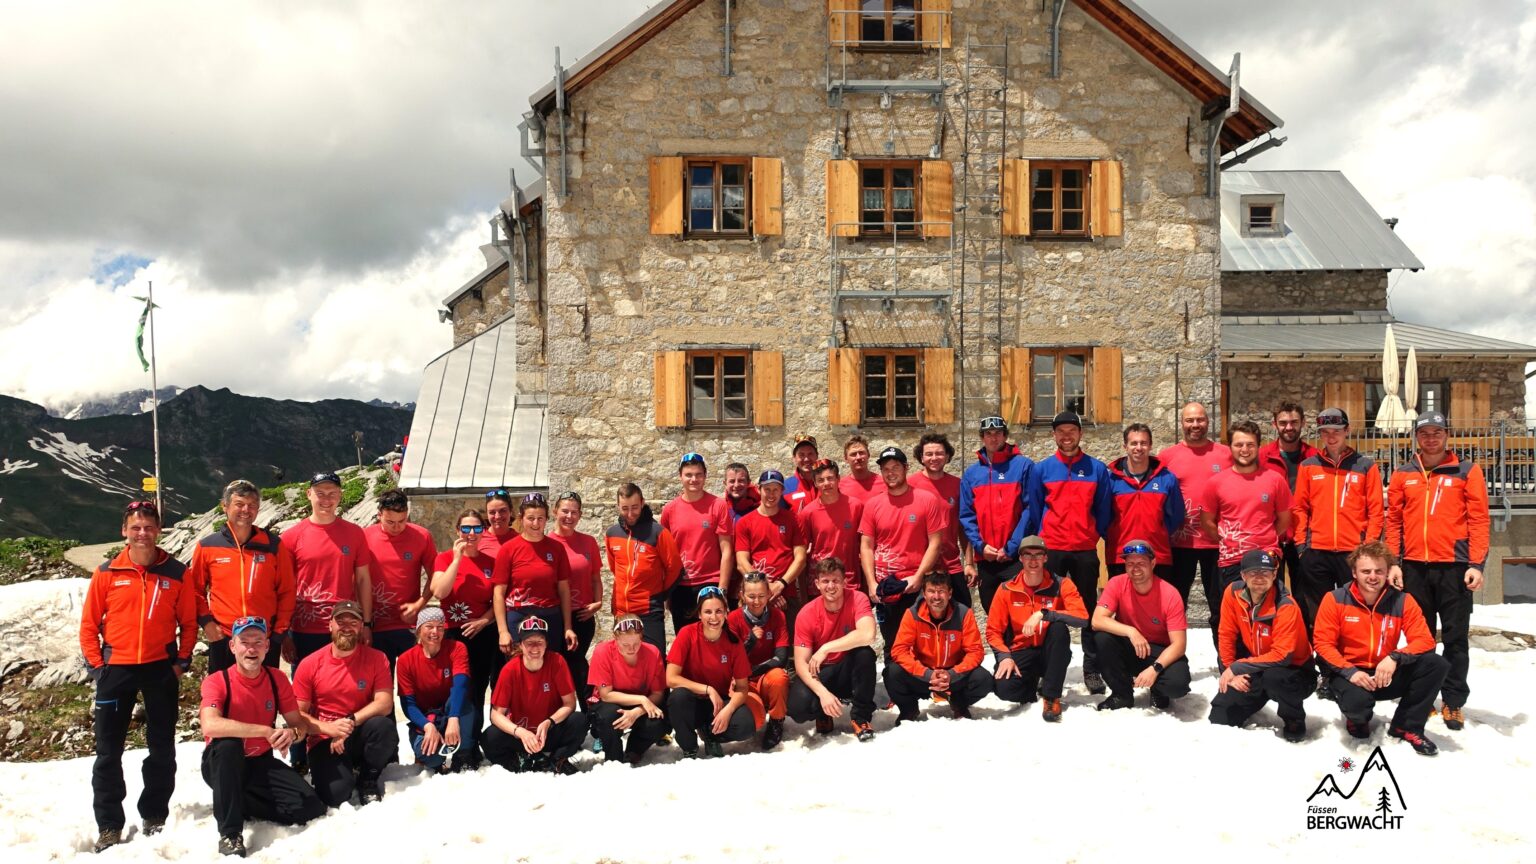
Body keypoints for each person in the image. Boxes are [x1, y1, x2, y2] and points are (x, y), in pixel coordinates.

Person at [79, 500, 198, 853]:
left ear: (158, 530)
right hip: (116, 670)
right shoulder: (107, 572)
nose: (142, 533)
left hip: (160, 668)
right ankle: (110, 825)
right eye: (136, 527)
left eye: (148, 527)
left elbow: (188, 623)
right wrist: (98, 668)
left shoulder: (176, 572)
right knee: (107, 752)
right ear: (124, 531)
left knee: (161, 747)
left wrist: (181, 663)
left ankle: (154, 814)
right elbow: (88, 625)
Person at [1385, 410, 1490, 733]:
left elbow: (1479, 519)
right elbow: (1394, 521)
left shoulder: (1466, 471)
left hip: (1454, 568)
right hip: (1415, 567)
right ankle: (1424, 697)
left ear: (1447, 434)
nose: (1431, 438)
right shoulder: (1404, 474)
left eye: (1437, 432)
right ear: (1416, 437)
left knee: (1456, 639)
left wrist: (1475, 564)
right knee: (1421, 638)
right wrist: (1393, 562)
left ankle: (1454, 701)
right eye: (1424, 433)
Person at [198, 616, 324, 858]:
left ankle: (236, 799)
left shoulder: (276, 679)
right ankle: (230, 833)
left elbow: (298, 725)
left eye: (258, 641)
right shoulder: (218, 680)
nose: (251, 648)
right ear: (233, 647)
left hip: (259, 761)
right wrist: (265, 731)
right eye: (244, 642)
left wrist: (291, 734)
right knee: (228, 746)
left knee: (310, 807)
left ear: (267, 647)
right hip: (221, 763)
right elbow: (210, 725)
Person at [1314, 541, 1450, 756]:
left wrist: (1396, 657)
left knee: (1436, 664)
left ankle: (1406, 725)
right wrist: (1350, 672)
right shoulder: (1335, 599)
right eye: (1366, 571)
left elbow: (1425, 640)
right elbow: (1323, 644)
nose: (1373, 576)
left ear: (1388, 572)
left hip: (1385, 672)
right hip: (1350, 673)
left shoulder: (1402, 600)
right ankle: (1357, 718)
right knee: (1358, 708)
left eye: (1379, 571)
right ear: (1354, 573)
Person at [282, 471, 374, 778]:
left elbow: (362, 579)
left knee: (346, 689)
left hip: (345, 628)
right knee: (302, 695)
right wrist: (285, 631)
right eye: (320, 492)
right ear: (309, 495)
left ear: (340, 496)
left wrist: (367, 623)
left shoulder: (354, 533)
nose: (326, 498)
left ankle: (350, 748)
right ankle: (299, 755)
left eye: (332, 493)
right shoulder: (292, 536)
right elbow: (283, 586)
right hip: (304, 629)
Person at [1027, 411, 1113, 694]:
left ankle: (1092, 668)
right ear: (1054, 435)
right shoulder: (1042, 469)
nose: (1066, 436)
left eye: (1071, 431)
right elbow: (1036, 508)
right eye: (1061, 432)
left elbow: (1103, 511)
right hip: (1052, 549)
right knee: (1047, 609)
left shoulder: (1096, 469)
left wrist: (1091, 535)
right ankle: (1045, 668)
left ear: (1080, 434)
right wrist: (1046, 538)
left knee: (1088, 609)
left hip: (1085, 549)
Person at [292, 600, 397, 806]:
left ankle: (368, 778)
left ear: (361, 627)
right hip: (324, 739)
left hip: (358, 731)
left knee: (383, 726)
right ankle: (339, 771)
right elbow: (297, 714)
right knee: (336, 796)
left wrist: (348, 723)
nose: (346, 627)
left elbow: (385, 703)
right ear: (330, 624)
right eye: (341, 621)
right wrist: (330, 729)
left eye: (353, 622)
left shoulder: (377, 658)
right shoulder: (310, 663)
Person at [1292, 408, 1384, 643]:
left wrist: (1368, 547)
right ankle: (1324, 667)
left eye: (1336, 431)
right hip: (1316, 552)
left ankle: (1353, 664)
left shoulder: (1365, 465)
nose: (1331, 437)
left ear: (1347, 431)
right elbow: (1299, 508)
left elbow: (1376, 510)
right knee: (1319, 614)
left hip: (1354, 553)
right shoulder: (1309, 466)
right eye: (1325, 432)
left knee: (1354, 612)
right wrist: (1302, 545)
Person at [1200, 421, 1292, 651]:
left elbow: (1284, 520)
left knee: (1268, 615)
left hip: (1267, 559)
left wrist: (1262, 539)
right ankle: (1232, 670)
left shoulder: (1274, 480)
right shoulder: (1216, 483)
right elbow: (1207, 522)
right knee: (1232, 619)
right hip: (1232, 561)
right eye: (1239, 444)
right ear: (1229, 447)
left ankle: (1267, 666)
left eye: (1250, 445)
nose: (1244, 449)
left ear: (1258, 447)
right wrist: (1229, 540)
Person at [189, 479, 295, 673]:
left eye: (252, 505)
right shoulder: (207, 546)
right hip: (224, 638)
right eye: (239, 504)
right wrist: (208, 624)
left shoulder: (273, 545)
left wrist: (279, 632)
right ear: (225, 506)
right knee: (223, 697)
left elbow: (287, 590)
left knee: (263, 699)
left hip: (264, 638)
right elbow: (194, 590)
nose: (246, 510)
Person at [1208, 550, 1313, 742]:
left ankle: (1294, 719)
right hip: (1257, 665)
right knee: (1220, 717)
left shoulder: (1285, 605)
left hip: (1293, 670)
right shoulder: (1233, 593)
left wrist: (1237, 666)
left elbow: (1282, 655)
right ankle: (1254, 699)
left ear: (1274, 575)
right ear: (1243, 575)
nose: (1259, 578)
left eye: (1265, 572)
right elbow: (1226, 634)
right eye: (1253, 572)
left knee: (1275, 678)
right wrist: (1231, 671)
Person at [986, 535, 1089, 722]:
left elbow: (1082, 618)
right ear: (1020, 558)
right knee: (1004, 689)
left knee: (1059, 629)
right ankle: (1030, 685)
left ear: (1045, 558)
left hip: (1050, 651)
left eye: (1038, 555)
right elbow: (993, 631)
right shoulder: (1006, 589)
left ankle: (1051, 696)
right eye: (1028, 555)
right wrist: (1005, 657)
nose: (1033, 560)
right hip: (1021, 650)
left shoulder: (1061, 584)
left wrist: (1045, 614)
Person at [860, 447, 945, 663]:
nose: (891, 473)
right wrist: (871, 583)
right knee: (893, 644)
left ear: (906, 468)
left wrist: (918, 577)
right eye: (886, 469)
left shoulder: (926, 499)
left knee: (922, 640)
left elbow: (935, 543)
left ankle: (929, 687)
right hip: (886, 587)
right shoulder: (873, 504)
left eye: (895, 467)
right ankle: (895, 692)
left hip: (915, 584)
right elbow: (866, 546)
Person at [429, 508, 501, 758]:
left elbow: (498, 602)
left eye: (477, 528)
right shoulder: (444, 558)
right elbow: (440, 592)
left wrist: (483, 621)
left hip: (482, 633)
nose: (471, 534)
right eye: (466, 529)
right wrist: (457, 559)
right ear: (457, 531)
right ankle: (453, 742)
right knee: (456, 689)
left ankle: (471, 744)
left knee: (478, 689)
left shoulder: (492, 563)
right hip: (452, 634)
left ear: (483, 532)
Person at [1092, 540, 1192, 710]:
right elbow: (1097, 620)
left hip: (1159, 651)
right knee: (1102, 638)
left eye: (1141, 563)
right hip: (1132, 646)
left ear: (1153, 563)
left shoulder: (1170, 594)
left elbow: (1179, 644)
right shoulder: (1116, 583)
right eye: (1130, 563)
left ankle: (1158, 690)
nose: (1135, 568)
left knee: (1177, 685)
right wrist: (1131, 631)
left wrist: (1155, 668)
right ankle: (1121, 694)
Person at [788, 559, 879, 741]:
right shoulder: (807, 613)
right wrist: (823, 693)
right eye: (825, 581)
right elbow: (801, 663)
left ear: (845, 582)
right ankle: (824, 712)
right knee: (798, 709)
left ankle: (861, 717)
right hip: (822, 672)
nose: (831, 586)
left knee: (865, 654)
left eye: (836, 580)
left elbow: (868, 634)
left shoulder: (858, 598)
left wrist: (826, 648)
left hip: (848, 669)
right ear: (817, 584)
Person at [481, 617, 586, 773]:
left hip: (548, 732)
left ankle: (558, 759)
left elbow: (570, 703)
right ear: (521, 645)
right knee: (489, 737)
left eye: (540, 642)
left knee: (580, 720)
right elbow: (496, 715)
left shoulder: (557, 662)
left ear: (546, 644)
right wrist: (519, 732)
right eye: (530, 642)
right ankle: (521, 759)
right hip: (522, 735)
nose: (535, 648)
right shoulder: (510, 670)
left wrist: (549, 722)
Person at [666, 586, 758, 758]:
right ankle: (689, 746)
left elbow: (742, 688)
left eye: (718, 611)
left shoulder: (733, 641)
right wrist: (708, 689)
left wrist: (728, 709)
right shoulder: (687, 634)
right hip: (692, 700)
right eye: (708, 612)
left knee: (746, 725)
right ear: (699, 614)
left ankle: (711, 734)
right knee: (677, 699)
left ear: (726, 612)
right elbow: (671, 678)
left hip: (717, 704)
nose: (714, 617)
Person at [886, 572, 990, 721]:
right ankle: (909, 710)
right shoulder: (913, 614)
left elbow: (975, 651)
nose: (936, 597)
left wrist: (953, 674)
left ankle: (959, 704)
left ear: (950, 593)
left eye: (941, 591)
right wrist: (926, 673)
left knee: (983, 679)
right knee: (892, 672)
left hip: (953, 674)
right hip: (924, 674)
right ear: (924, 593)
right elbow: (899, 650)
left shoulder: (963, 613)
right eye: (931, 591)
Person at [1158, 402, 1233, 606]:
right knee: (1174, 603)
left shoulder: (1226, 455)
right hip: (1179, 543)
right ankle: (1174, 640)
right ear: (1181, 423)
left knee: (1219, 604)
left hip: (1217, 541)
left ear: (1208, 422)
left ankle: (1221, 640)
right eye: (1189, 420)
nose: (1195, 424)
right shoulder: (1166, 457)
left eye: (1200, 419)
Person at [959, 415, 1034, 614]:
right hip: (987, 558)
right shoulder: (971, 474)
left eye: (998, 433)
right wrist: (980, 546)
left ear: (1005, 436)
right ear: (982, 438)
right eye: (988, 434)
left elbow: (1030, 510)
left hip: (1016, 557)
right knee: (993, 615)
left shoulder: (1023, 466)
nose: (993, 438)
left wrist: (1011, 546)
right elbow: (967, 516)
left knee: (1019, 614)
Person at [492, 493, 577, 661]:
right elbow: (498, 593)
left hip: (550, 616)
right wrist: (503, 631)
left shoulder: (557, 548)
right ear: (521, 519)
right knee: (519, 668)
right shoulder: (508, 549)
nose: (536, 523)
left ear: (547, 519)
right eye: (531, 518)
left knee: (550, 668)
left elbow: (564, 590)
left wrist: (568, 627)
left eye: (540, 518)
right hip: (518, 615)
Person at [362, 489, 436, 673]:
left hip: (409, 623)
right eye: (390, 522)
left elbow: (436, 575)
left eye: (402, 521)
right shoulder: (364, 537)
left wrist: (419, 604)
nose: (397, 527)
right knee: (380, 683)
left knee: (413, 681)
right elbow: (356, 579)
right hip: (375, 624)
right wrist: (364, 623)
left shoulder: (422, 536)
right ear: (379, 515)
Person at [605, 483, 684, 654]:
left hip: (648, 611)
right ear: (618, 506)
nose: (630, 513)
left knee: (654, 663)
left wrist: (658, 594)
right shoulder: (612, 534)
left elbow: (675, 568)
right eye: (625, 508)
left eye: (634, 507)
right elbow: (615, 568)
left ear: (642, 503)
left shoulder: (658, 532)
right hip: (622, 612)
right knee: (624, 665)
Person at [661, 452, 735, 630]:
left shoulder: (718, 505)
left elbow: (727, 550)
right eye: (689, 475)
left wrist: (722, 590)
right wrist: (666, 592)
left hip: (710, 583)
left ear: (705, 476)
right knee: (686, 641)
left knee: (714, 640)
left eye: (698, 474)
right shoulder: (670, 510)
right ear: (681, 476)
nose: (694, 479)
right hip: (681, 586)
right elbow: (664, 555)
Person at [395, 607, 473, 774]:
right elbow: (408, 703)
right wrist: (427, 725)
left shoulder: (457, 648)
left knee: (463, 702)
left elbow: (461, 685)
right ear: (418, 630)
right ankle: (436, 763)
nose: (435, 632)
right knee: (430, 755)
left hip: (451, 711)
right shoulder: (405, 660)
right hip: (425, 718)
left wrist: (453, 717)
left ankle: (463, 755)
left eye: (440, 627)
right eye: (429, 626)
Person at [587, 616, 670, 765]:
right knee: (609, 716)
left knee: (658, 723)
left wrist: (637, 711)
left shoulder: (652, 653)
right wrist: (642, 700)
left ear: (642, 638)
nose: (631, 649)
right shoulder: (602, 651)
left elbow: (658, 694)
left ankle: (634, 750)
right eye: (625, 644)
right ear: (615, 638)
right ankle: (614, 758)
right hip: (610, 702)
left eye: (636, 644)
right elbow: (606, 695)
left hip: (638, 705)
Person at [1106, 424, 1184, 580]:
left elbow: (1176, 516)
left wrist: (1157, 531)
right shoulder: (1110, 479)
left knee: (1157, 604)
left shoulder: (1166, 478)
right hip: (1120, 555)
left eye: (1143, 443)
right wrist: (1113, 534)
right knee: (1122, 603)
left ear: (1150, 446)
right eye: (1134, 443)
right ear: (1125, 446)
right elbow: (1102, 516)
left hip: (1157, 555)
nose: (1139, 447)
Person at [548, 491, 604, 706]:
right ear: (555, 512)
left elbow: (596, 579)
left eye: (574, 512)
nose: (569, 516)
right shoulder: (546, 542)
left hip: (582, 615)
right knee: (559, 666)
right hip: (555, 616)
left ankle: (591, 716)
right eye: (564, 511)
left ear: (580, 515)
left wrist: (598, 603)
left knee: (577, 664)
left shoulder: (588, 542)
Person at [734, 469, 809, 625]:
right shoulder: (745, 522)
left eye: (776, 489)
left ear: (782, 491)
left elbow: (800, 558)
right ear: (759, 490)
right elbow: (742, 562)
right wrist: (766, 589)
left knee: (787, 646)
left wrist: (780, 584)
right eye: (767, 489)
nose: (771, 494)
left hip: (786, 595)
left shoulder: (793, 520)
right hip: (755, 596)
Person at [726, 572, 791, 750]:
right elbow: (731, 659)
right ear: (742, 595)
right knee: (755, 719)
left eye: (761, 596)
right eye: (751, 596)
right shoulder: (733, 619)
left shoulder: (777, 616)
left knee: (780, 677)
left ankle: (777, 721)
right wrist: (750, 642)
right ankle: (758, 713)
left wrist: (752, 670)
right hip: (742, 680)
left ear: (769, 594)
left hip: (762, 674)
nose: (756, 601)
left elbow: (781, 657)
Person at [908, 432, 975, 605]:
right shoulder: (910, 485)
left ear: (947, 456)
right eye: (929, 454)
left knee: (963, 614)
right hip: (920, 567)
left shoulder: (957, 485)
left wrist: (969, 563)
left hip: (950, 565)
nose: (934, 458)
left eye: (939, 453)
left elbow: (963, 527)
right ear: (921, 458)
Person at [798, 458, 865, 594]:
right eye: (821, 480)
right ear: (815, 483)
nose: (826, 484)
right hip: (820, 585)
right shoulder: (808, 513)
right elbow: (801, 554)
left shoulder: (856, 506)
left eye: (830, 478)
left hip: (849, 582)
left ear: (838, 479)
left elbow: (865, 547)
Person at [781, 434, 821, 514]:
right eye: (801, 455)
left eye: (810, 454)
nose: (806, 459)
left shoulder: (826, 483)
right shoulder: (785, 487)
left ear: (817, 456)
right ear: (794, 458)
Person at [838, 435, 882, 503]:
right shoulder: (839, 487)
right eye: (853, 454)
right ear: (846, 458)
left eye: (861, 453)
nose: (858, 457)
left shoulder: (883, 483)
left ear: (868, 455)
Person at [479, 489, 519, 558]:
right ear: (487, 514)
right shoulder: (478, 539)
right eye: (492, 512)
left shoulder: (519, 540)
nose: (497, 517)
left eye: (502, 511)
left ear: (511, 511)